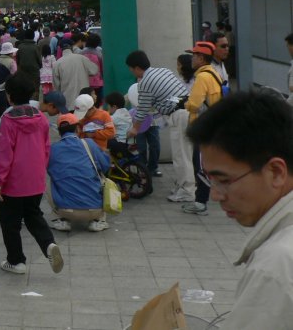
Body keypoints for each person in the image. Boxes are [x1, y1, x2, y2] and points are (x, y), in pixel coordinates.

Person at [186, 90, 293, 328]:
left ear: (276, 172)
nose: (215, 195)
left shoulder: (277, 266)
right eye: (210, 181)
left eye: (224, 180)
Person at [0, 73, 63, 276]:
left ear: (9, 96)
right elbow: (46, 147)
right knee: (34, 215)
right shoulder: (40, 117)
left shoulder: (8, 120)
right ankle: (48, 244)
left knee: (10, 222)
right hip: (36, 179)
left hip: (13, 182)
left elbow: (5, 153)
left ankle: (16, 261)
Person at [125, 50, 189, 180]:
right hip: (188, 110)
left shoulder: (145, 82)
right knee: (186, 154)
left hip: (178, 114)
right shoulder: (163, 71)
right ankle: (186, 188)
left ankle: (185, 191)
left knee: (180, 156)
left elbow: (142, 109)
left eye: (131, 69)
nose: (132, 72)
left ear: (137, 68)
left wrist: (134, 129)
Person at [48, 112, 111, 233]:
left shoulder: (53, 149)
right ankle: (98, 221)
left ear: (59, 131)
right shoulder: (89, 144)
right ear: (78, 128)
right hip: (95, 209)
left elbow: (50, 170)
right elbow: (105, 166)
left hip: (64, 209)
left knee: (50, 180)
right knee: (101, 177)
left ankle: (62, 220)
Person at [181, 41, 225, 216]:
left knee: (199, 165)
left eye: (193, 56)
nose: (191, 59)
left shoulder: (202, 77)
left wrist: (184, 103)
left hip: (203, 127)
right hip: (214, 125)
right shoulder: (214, 73)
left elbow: (194, 104)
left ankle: (200, 202)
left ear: (201, 58)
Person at [52, 35, 98, 109]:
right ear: (72, 47)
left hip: (67, 103)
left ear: (60, 49)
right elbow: (95, 70)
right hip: (84, 101)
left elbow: (56, 87)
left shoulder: (57, 64)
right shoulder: (82, 58)